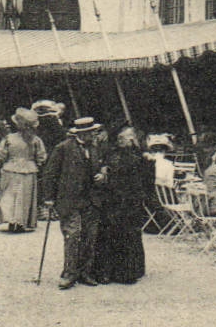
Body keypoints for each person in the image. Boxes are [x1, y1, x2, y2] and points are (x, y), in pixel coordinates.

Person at [44, 116, 105, 289]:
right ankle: (69, 274)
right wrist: (49, 198)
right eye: (91, 132)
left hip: (91, 200)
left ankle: (85, 273)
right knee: (73, 236)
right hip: (69, 200)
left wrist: (102, 174)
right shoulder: (63, 148)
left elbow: (101, 167)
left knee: (89, 237)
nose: (94, 135)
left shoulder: (95, 148)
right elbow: (50, 173)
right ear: (82, 133)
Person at [92, 125, 153, 284]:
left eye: (123, 138)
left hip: (130, 202)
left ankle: (128, 273)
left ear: (132, 139)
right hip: (112, 200)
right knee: (109, 235)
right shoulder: (112, 152)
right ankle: (107, 272)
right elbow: (106, 166)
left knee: (129, 236)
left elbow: (145, 180)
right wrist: (104, 170)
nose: (120, 140)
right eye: (119, 138)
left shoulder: (141, 156)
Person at [0, 107, 47, 232]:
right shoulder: (35, 140)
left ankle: (11, 220)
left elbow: (1, 155)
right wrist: (35, 163)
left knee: (10, 196)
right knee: (25, 197)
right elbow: (41, 157)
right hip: (29, 170)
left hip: (10, 169)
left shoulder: (9, 138)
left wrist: (2, 163)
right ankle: (22, 222)